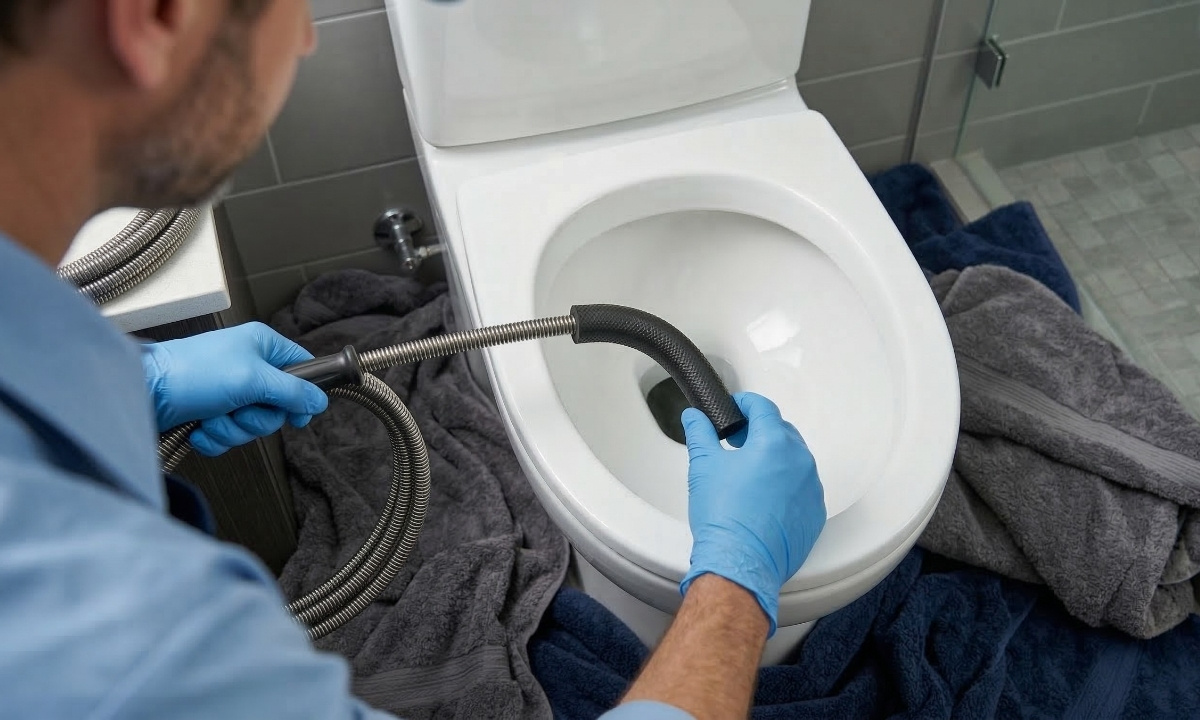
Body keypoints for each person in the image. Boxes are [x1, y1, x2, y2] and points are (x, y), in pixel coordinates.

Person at [0, 1, 826, 718]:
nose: (310, 39)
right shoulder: (123, 655)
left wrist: (141, 388)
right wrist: (736, 583)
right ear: (157, 14)